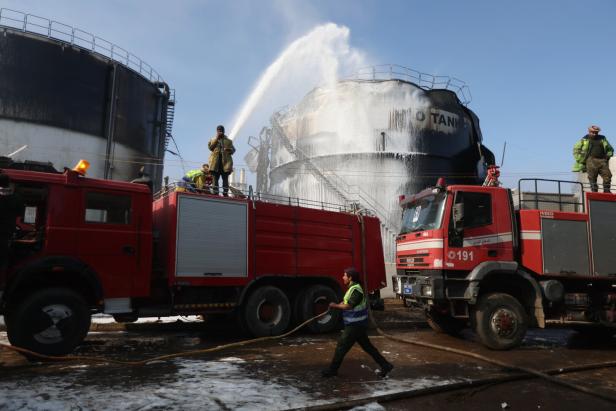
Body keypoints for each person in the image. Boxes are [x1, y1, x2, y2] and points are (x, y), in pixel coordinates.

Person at [321, 267, 393, 378]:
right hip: (358, 325)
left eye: (345, 275)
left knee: (341, 347)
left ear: (350, 278)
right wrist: (340, 303)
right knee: (368, 347)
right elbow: (347, 301)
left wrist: (335, 305)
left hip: (355, 326)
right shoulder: (353, 288)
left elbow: (349, 305)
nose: (343, 277)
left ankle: (332, 370)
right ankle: (386, 365)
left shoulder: (356, 290)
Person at [573, 125, 614, 193]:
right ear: (589, 131)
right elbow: (576, 150)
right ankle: (594, 192)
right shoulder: (584, 139)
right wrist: (581, 159)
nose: (594, 134)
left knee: (608, 175)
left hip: (602, 160)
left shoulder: (602, 138)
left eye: (596, 132)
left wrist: (607, 156)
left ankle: (607, 191)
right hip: (590, 160)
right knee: (592, 177)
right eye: (593, 132)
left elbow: (610, 149)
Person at [0, 174, 23, 275]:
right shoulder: (16, 198)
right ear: (8, 183)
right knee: (4, 258)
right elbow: (19, 216)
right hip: (6, 233)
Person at [208, 125, 235, 196]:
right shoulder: (213, 139)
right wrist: (217, 138)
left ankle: (225, 193)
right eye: (219, 130)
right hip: (215, 163)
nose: (220, 132)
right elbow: (210, 147)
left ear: (224, 131)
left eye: (221, 130)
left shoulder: (228, 141)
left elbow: (233, 150)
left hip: (225, 164)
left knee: (225, 179)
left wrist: (230, 150)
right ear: (217, 131)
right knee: (215, 179)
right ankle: (215, 192)